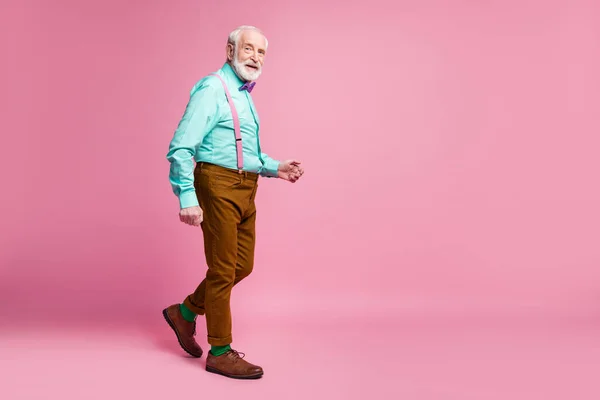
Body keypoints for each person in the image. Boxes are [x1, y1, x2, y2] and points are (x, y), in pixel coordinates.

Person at [162, 25, 304, 380]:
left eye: (261, 52)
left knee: (242, 266)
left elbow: (242, 153)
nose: (255, 57)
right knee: (224, 270)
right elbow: (181, 147)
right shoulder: (213, 88)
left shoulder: (243, 95)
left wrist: (275, 167)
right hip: (217, 185)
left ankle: (185, 311)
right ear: (230, 51)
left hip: (245, 186)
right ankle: (220, 351)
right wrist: (187, 196)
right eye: (249, 49)